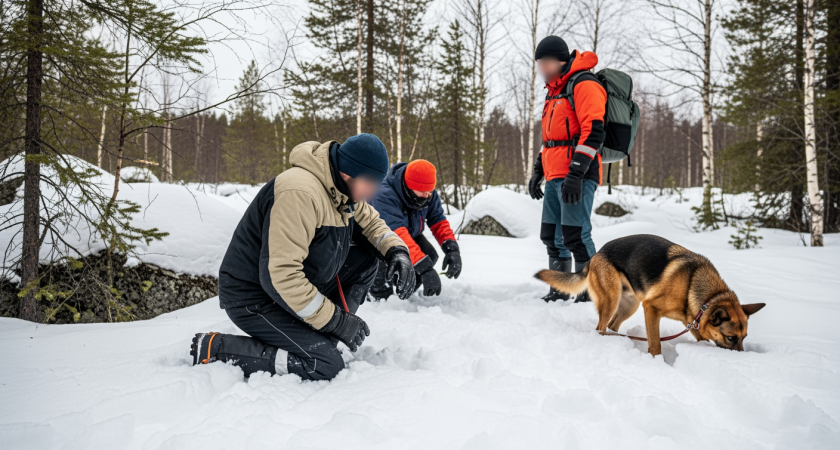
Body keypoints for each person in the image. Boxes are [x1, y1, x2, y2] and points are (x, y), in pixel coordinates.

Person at [191, 134, 416, 381]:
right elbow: (282, 276)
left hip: (292, 288)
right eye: (372, 183)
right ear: (350, 173)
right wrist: (338, 321)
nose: (374, 191)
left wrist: (397, 252)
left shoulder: (343, 191)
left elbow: (372, 223)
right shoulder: (299, 193)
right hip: (254, 297)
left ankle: (323, 334)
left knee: (367, 258)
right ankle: (217, 347)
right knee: (324, 364)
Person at [528, 36, 606, 303]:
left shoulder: (584, 84)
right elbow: (551, 138)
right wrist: (538, 170)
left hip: (579, 175)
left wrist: (576, 174)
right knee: (551, 235)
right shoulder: (554, 91)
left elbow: (594, 131)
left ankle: (589, 294)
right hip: (554, 175)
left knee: (575, 236)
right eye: (540, 63)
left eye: (547, 62)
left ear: (562, 60)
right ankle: (560, 290)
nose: (543, 68)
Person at [368, 159, 462, 299]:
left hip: (409, 234)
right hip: (379, 239)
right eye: (422, 191)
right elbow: (397, 234)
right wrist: (425, 269)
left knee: (429, 255)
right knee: (382, 262)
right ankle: (378, 297)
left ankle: (406, 291)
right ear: (409, 186)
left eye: (429, 191)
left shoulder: (427, 193)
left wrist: (452, 249)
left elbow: (437, 220)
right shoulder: (383, 195)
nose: (427, 195)